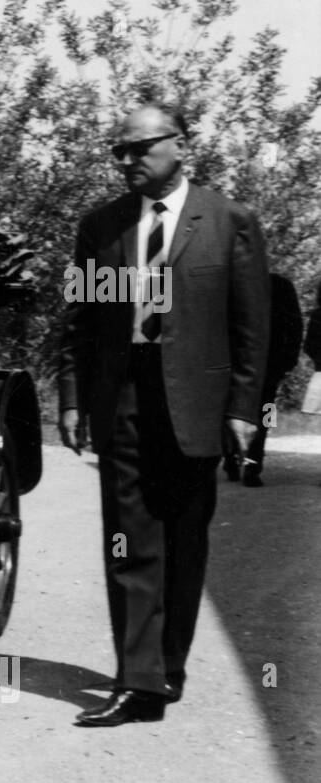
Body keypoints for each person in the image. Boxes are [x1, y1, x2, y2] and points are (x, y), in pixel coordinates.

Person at [58, 103, 271, 726]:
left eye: (138, 149)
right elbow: (80, 321)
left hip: (197, 402)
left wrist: (243, 409)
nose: (125, 161)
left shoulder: (228, 220)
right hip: (122, 393)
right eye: (117, 152)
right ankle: (138, 680)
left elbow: (251, 328)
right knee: (128, 538)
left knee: (184, 540)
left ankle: (167, 667)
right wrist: (72, 397)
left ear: (178, 145)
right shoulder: (102, 227)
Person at [221, 274, 302, 486]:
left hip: (245, 362)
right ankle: (250, 464)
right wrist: (288, 361)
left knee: (235, 411)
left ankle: (238, 459)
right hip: (265, 364)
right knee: (264, 414)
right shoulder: (280, 285)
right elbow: (295, 325)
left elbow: (294, 325)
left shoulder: (231, 281)